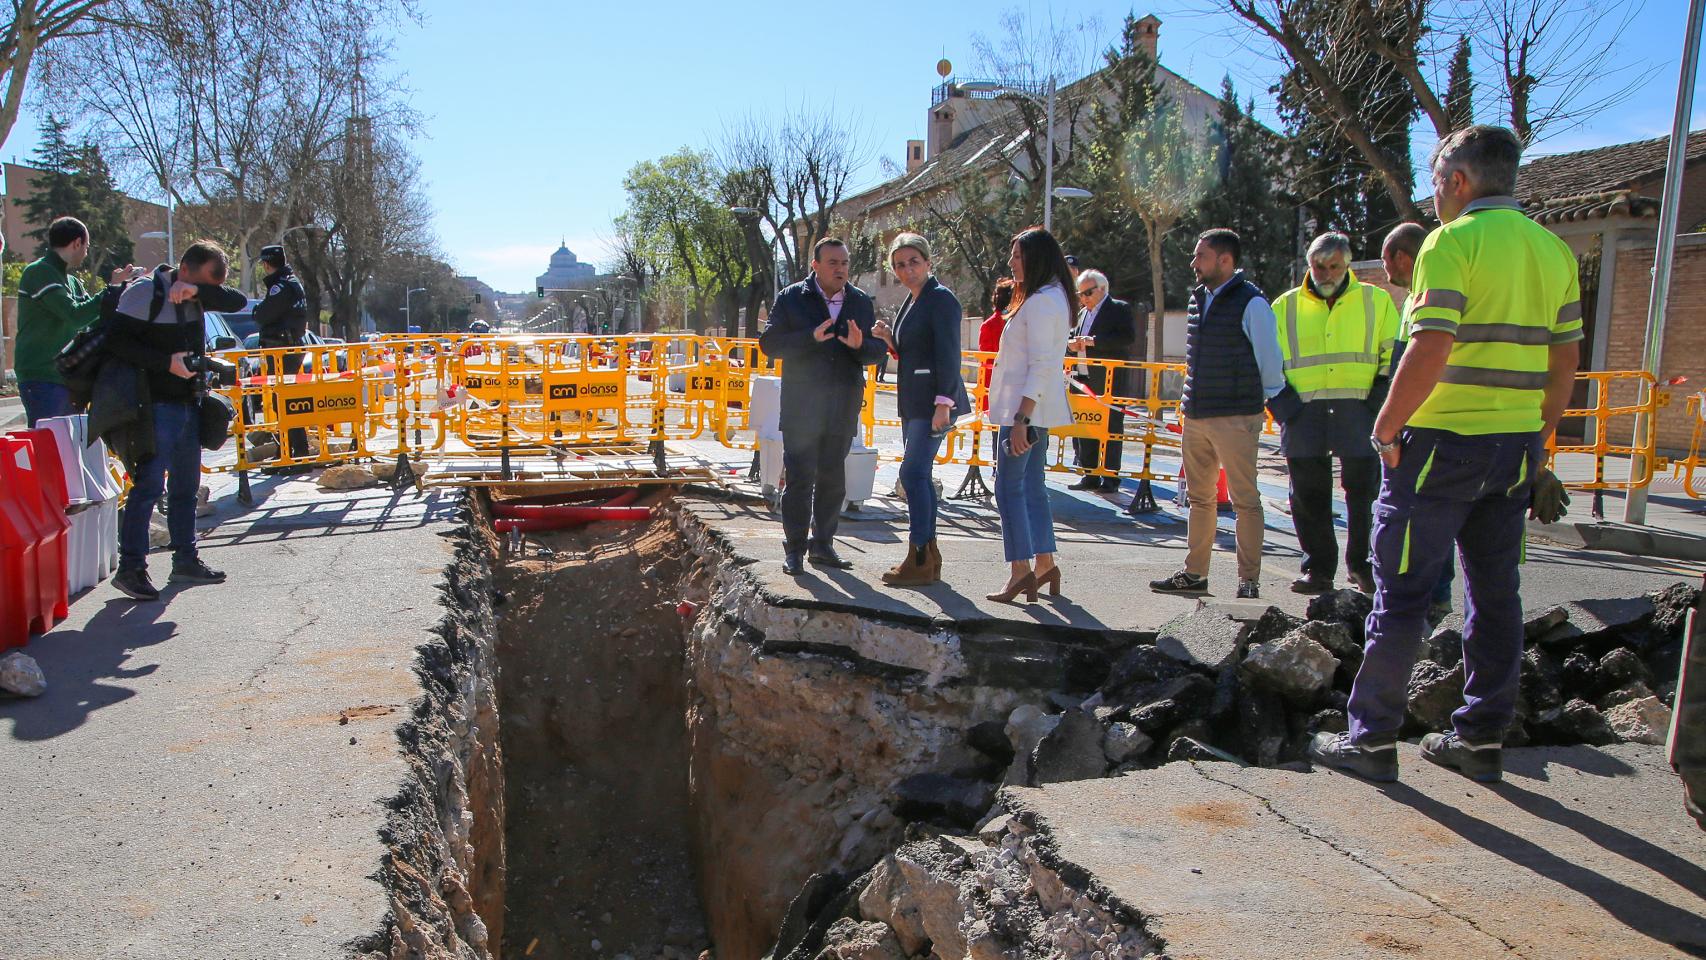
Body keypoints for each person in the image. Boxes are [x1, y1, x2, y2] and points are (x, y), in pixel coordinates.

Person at [1311, 125, 1583, 784]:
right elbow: (1564, 362)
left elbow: (1431, 345)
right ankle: (1481, 736)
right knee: (1496, 597)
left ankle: (1371, 739)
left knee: (1400, 597)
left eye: (1436, 183)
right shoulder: (1554, 252)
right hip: (1513, 449)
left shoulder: (1451, 243)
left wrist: (1385, 429)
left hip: (1439, 450)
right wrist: (1538, 450)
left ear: (1458, 181)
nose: (1435, 198)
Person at [105, 241, 249, 601]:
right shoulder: (144, 293)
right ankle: (131, 567)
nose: (209, 294)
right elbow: (117, 342)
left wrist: (198, 290)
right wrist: (166, 362)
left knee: (186, 486)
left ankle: (186, 559)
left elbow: (238, 302)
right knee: (149, 485)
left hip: (188, 403)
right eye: (204, 282)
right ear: (185, 267)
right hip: (153, 404)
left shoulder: (199, 292)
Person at [1151, 229, 1286, 600]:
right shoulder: (1198, 300)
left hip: (1235, 416)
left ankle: (1248, 580)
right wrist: (1185, 404)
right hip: (1197, 414)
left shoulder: (1252, 303)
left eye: (1201, 256)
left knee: (1244, 500)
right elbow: (1195, 361)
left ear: (1225, 260)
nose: (1194, 263)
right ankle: (1195, 574)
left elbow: (1269, 361)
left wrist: (1276, 401)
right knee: (1199, 498)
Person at [1267, 232, 1400, 596]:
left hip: (1360, 411)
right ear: (1309, 266)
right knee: (1308, 496)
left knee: (1364, 494)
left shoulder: (1377, 301)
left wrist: (1379, 403)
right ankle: (1318, 570)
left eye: (1334, 267)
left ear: (1348, 266)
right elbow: (1266, 362)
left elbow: (1394, 355)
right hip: (1302, 413)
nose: (1326, 274)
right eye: (1319, 267)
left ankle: (1362, 567)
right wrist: (1283, 409)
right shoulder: (1284, 306)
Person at [757, 237, 886, 575]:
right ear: (815, 265)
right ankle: (795, 549)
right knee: (800, 479)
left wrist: (861, 346)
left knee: (833, 478)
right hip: (802, 405)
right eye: (833, 262)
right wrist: (809, 338)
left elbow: (875, 352)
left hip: (842, 403)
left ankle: (824, 545)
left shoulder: (858, 301)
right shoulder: (792, 298)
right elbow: (769, 344)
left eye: (844, 263)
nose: (840, 268)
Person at [870, 233, 970, 587]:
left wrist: (944, 403)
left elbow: (947, 354)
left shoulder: (941, 299)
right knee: (920, 477)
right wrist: (888, 340)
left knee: (912, 475)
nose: (906, 269)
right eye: (899, 264)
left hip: (933, 403)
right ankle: (928, 556)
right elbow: (915, 352)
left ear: (928, 262)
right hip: (913, 400)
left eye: (913, 261)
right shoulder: (913, 301)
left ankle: (918, 556)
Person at [985, 226, 1073, 603]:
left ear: (1035, 258)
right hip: (1035, 409)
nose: (1011, 262)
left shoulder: (1039, 302)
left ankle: (1020, 570)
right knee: (1033, 488)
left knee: (1009, 489)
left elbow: (1039, 364)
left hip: (1023, 411)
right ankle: (1044, 563)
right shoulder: (1053, 297)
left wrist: (1021, 419)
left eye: (1018, 255)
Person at [1382, 221, 1456, 628]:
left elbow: (1416, 366)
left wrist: (1387, 431)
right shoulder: (1411, 300)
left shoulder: (1425, 299)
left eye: (1385, 256)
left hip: (1424, 429)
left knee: (1424, 520)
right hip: (1418, 426)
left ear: (1400, 256)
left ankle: (1429, 601)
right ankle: (1425, 600)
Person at [15, 216, 138, 426]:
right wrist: (110, 290)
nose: (86, 252)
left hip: (68, 378)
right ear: (77, 243)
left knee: (69, 452)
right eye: (87, 246)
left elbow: (91, 321)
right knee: (51, 447)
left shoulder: (71, 281)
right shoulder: (40, 272)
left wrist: (123, 290)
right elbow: (75, 315)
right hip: (42, 375)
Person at [1066, 269, 1137, 492]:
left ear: (1102, 289)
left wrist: (1094, 342)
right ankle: (1089, 473)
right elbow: (1073, 336)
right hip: (1084, 377)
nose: (1083, 298)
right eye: (1080, 294)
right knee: (1086, 426)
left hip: (1109, 380)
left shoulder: (1118, 309)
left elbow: (1127, 338)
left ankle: (1109, 476)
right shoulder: (1081, 314)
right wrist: (1072, 343)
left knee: (1110, 427)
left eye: (1088, 293)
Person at [253, 243, 310, 465]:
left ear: (267, 264)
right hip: (287, 347)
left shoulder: (281, 287)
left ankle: (294, 452)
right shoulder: (291, 283)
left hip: (282, 349)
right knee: (286, 402)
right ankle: (289, 450)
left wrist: (258, 310)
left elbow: (263, 315)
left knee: (284, 403)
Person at [978, 279, 1016, 412]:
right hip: (1015, 387)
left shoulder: (987, 325)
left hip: (992, 387)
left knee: (997, 429)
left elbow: (984, 357)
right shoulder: (1020, 323)